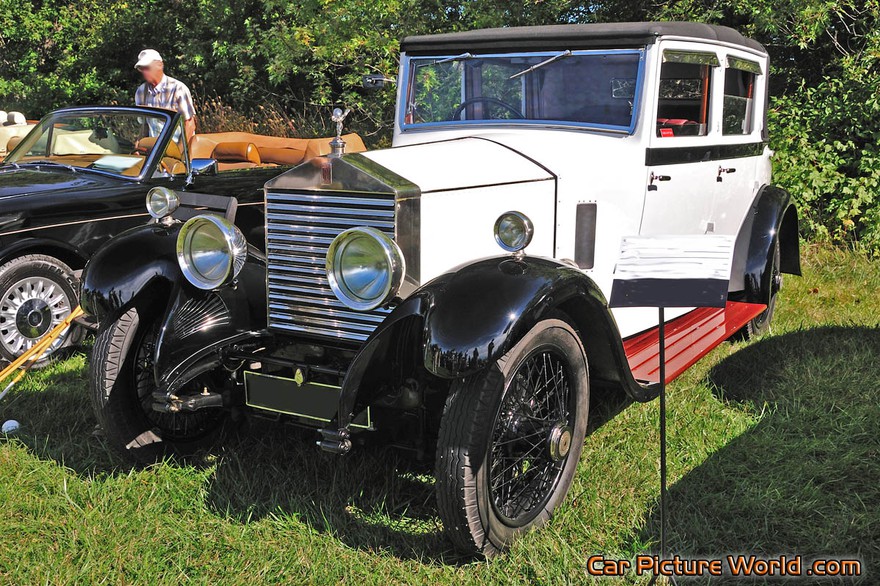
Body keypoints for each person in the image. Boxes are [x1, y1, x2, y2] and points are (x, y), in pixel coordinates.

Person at [134, 49, 196, 142]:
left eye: (147, 67)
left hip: (176, 148)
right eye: (141, 68)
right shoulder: (141, 92)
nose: (144, 72)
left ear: (160, 65)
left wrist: (180, 152)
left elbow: (190, 124)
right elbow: (144, 126)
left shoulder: (177, 89)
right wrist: (139, 146)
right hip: (154, 151)